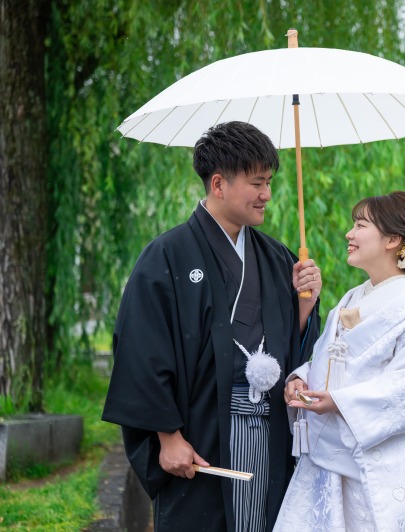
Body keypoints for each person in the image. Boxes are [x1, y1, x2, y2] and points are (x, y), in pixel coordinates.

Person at [102, 121, 321, 531]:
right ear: (218, 184)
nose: (267, 195)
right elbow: (142, 351)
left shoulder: (276, 257)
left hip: (269, 432)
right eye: (257, 183)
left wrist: (305, 307)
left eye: (269, 182)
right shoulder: (165, 256)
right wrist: (166, 436)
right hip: (200, 433)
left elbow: (292, 351)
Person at [273, 191, 405, 532]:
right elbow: (329, 360)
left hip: (370, 463)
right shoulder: (353, 297)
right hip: (329, 457)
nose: (349, 234)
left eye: (360, 225)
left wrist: (341, 402)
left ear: (393, 239)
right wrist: (302, 379)